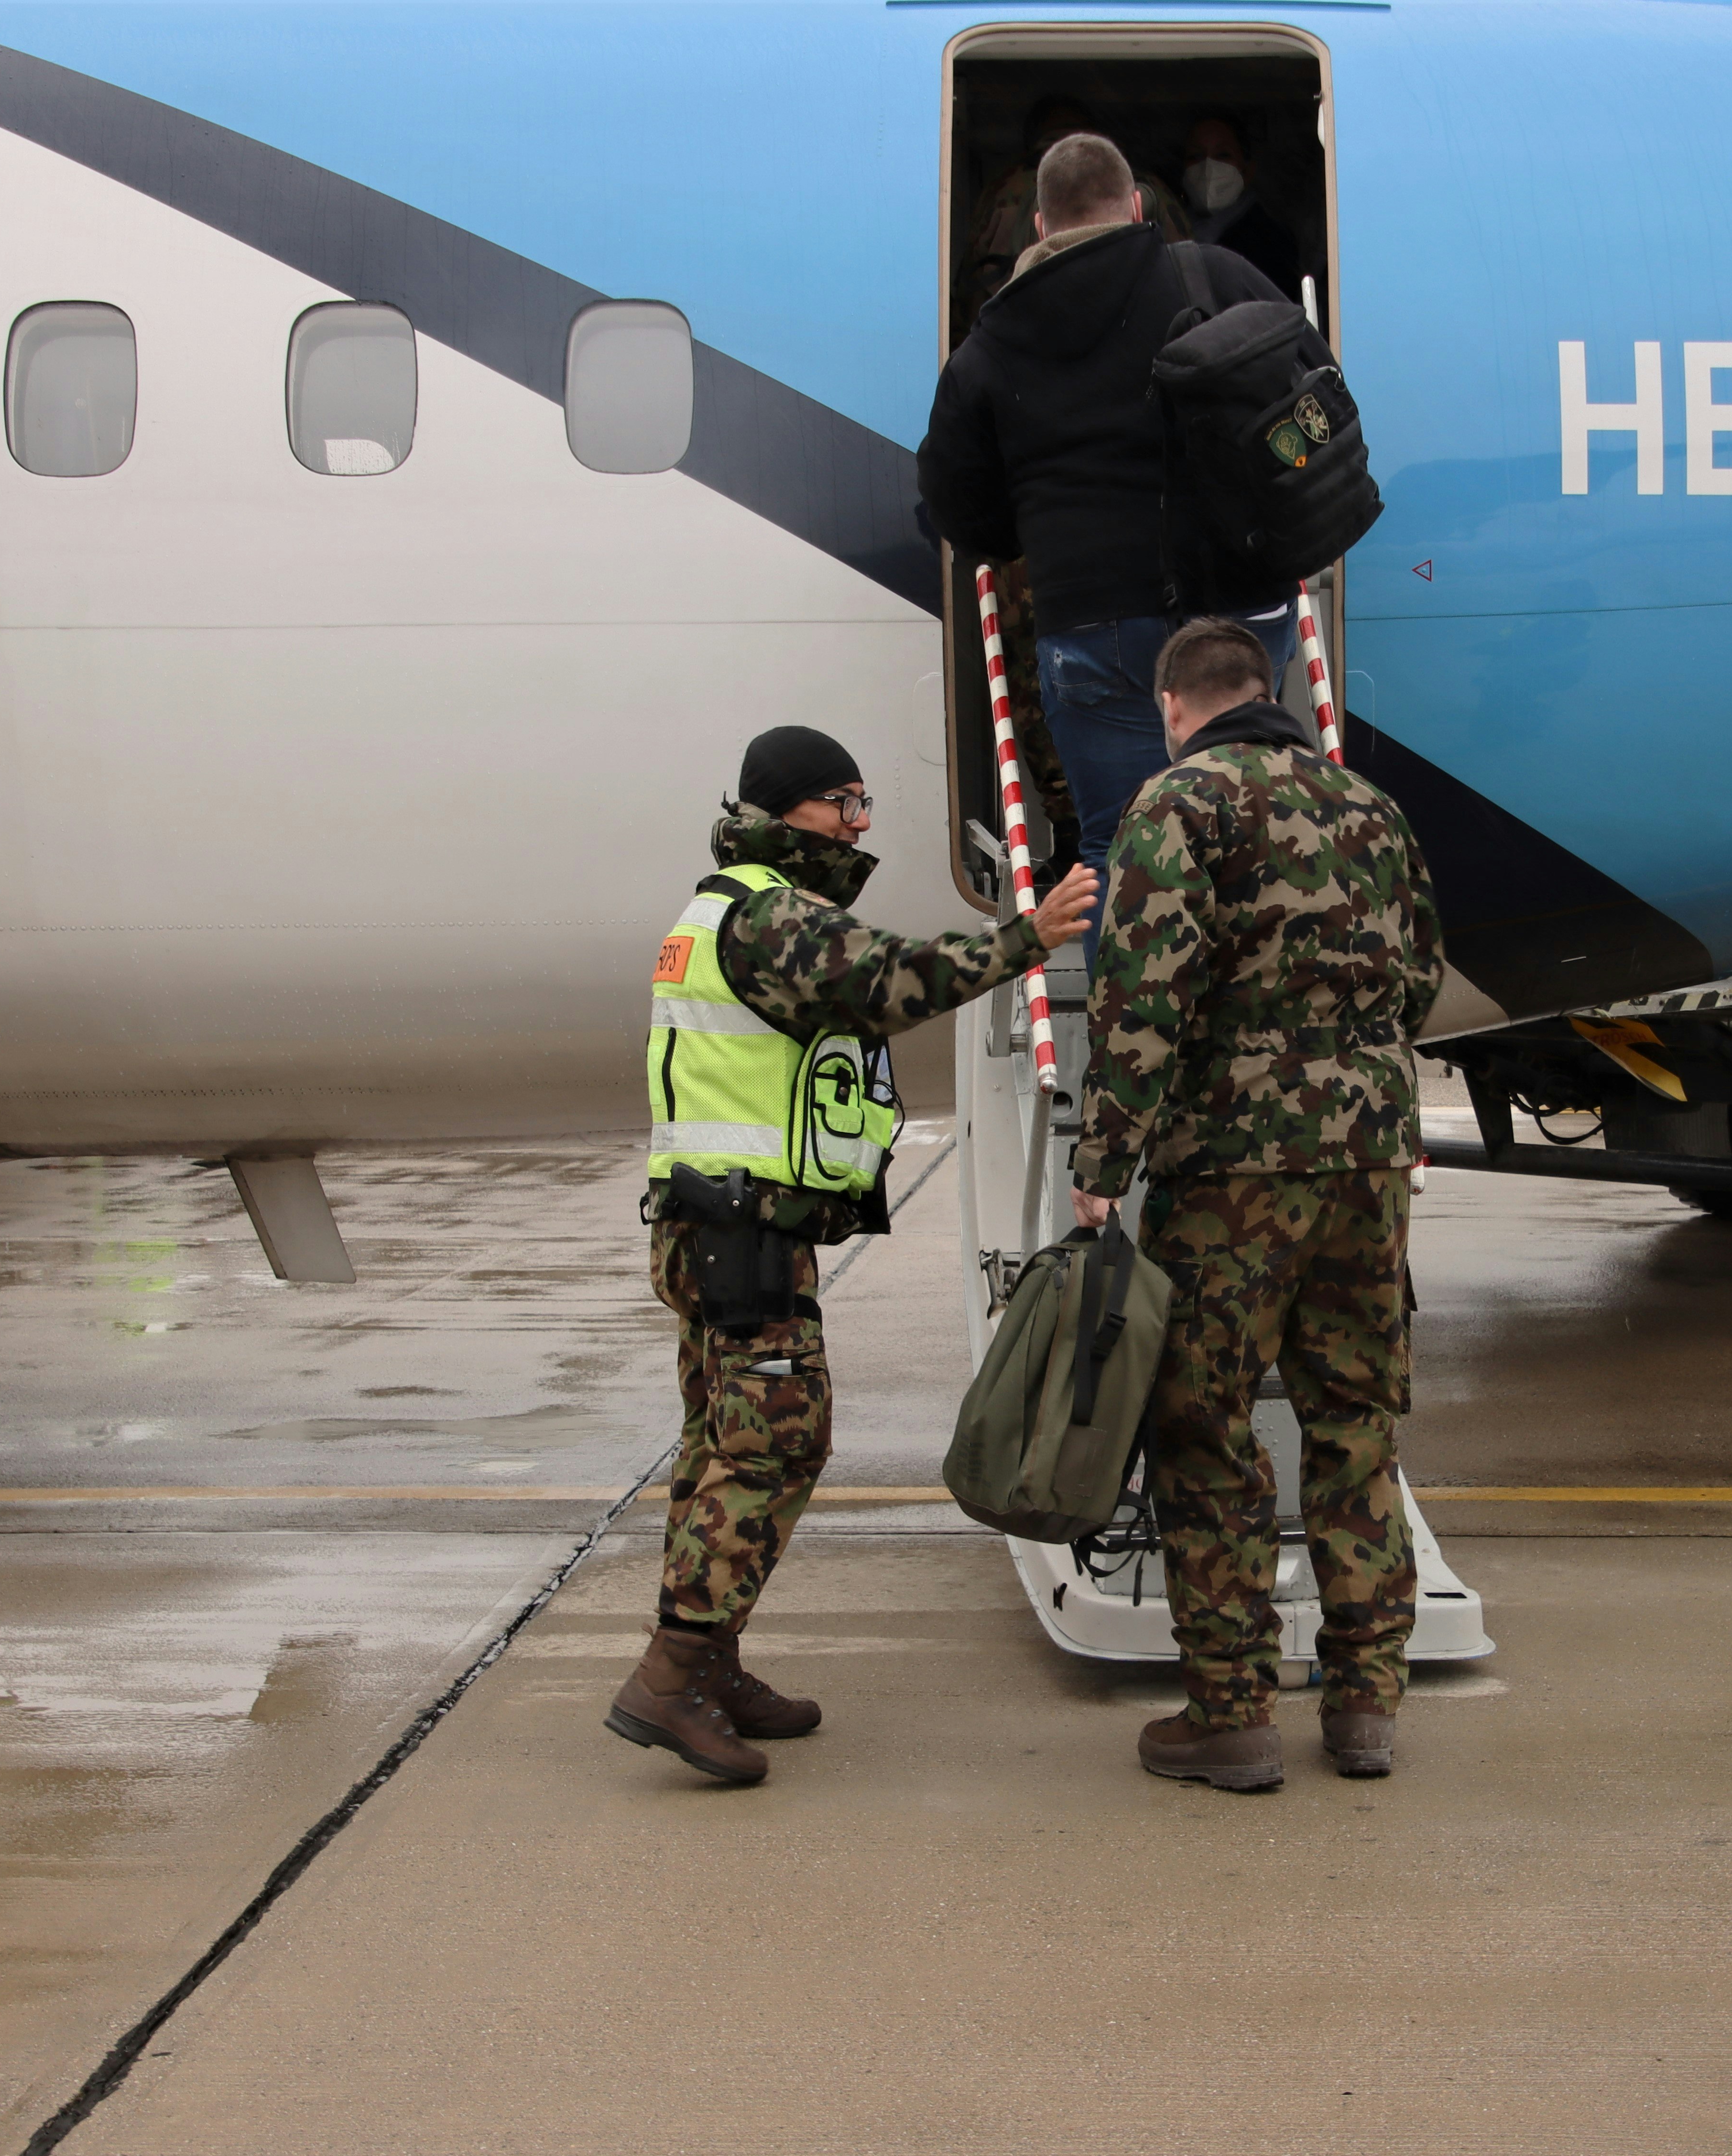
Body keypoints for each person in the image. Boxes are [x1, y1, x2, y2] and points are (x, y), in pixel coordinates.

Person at [610, 725, 1096, 1785]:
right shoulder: (772, 915)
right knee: (776, 1442)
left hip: (710, 1224)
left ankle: (710, 1660)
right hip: (743, 1232)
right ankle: (672, 1676)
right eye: (843, 802)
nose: (858, 823)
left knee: (718, 1445)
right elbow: (891, 981)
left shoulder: (719, 907)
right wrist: (1028, 937)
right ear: (787, 806)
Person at [1068, 618, 1443, 1792]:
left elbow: (1142, 994)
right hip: (1368, 1165)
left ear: (1173, 703)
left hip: (1230, 1171)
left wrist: (1104, 1162)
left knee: (1206, 1428)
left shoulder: (1180, 802)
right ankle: (1365, 1705)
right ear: (1265, 687)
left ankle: (1231, 1714)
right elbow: (1423, 976)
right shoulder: (1371, 807)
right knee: (1356, 1424)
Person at [919, 131, 1304, 928]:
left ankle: (1134, 1013)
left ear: (1038, 226)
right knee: (1251, 847)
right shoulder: (1214, 276)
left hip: (1095, 627)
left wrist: (1037, 528)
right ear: (1134, 206)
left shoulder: (992, 342)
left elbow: (959, 510)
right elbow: (1312, 398)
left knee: (1122, 856)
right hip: (1241, 609)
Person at [953, 98, 1186, 342]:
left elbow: (972, 292)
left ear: (1041, 228)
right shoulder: (1146, 186)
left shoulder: (1001, 191)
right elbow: (1184, 270)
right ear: (1136, 208)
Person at [1177, 114, 1306, 300]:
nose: (1208, 167)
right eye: (1195, 156)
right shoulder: (1171, 230)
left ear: (1248, 170)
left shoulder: (1271, 241)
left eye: (1223, 155)